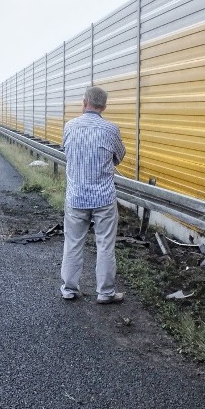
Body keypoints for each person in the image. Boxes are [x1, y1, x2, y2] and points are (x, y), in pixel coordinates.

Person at [60, 86, 126, 304]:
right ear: (104, 107)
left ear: (84, 102)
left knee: (73, 243)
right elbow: (119, 157)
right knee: (105, 244)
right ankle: (105, 292)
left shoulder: (70, 127)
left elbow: (66, 152)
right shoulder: (111, 130)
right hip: (103, 198)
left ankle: (69, 288)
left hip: (76, 197)